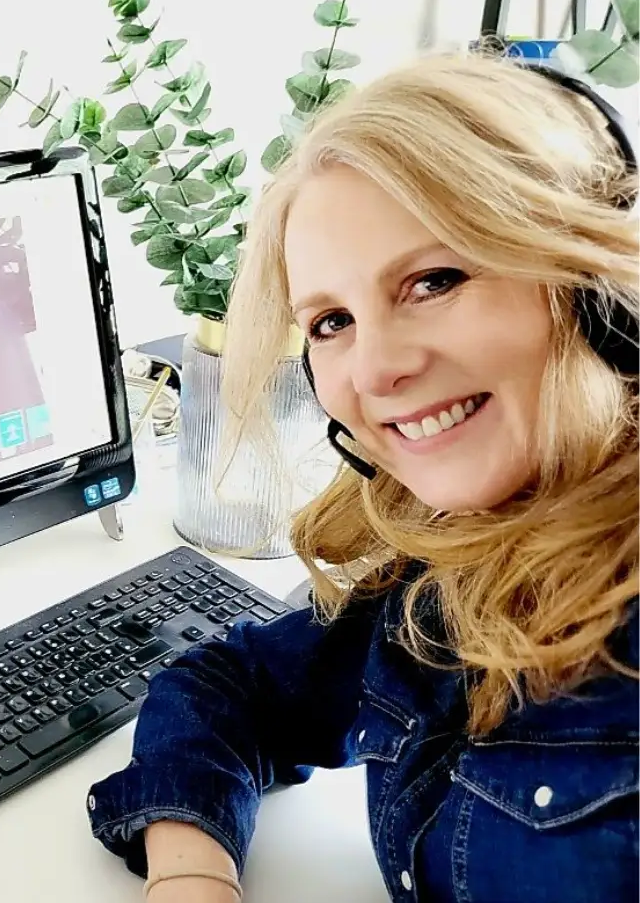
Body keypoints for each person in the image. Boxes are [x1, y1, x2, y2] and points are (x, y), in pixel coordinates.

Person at [86, 52, 638, 902]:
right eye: (332, 320)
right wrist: (192, 875)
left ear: (597, 287)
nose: (373, 370)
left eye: (435, 280)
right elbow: (229, 686)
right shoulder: (458, 556)